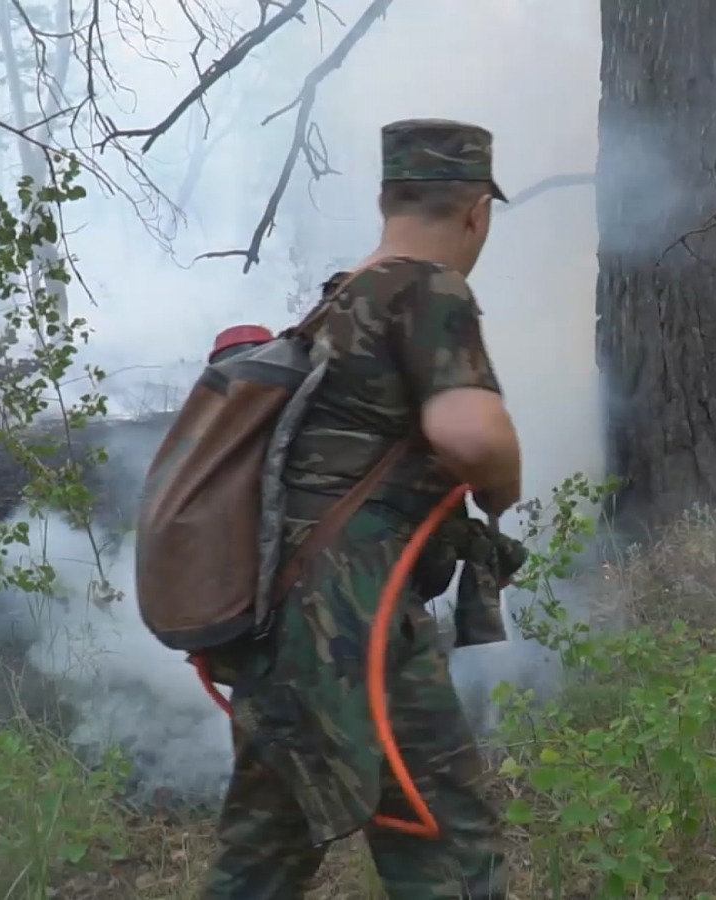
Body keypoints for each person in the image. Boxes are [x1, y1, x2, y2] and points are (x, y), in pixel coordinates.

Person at [200, 118, 523, 900]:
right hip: (357, 629)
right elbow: (469, 431)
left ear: (385, 197)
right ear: (477, 210)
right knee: (446, 845)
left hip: (292, 628)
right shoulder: (426, 288)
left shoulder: (335, 302)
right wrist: (502, 486)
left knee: (263, 861)